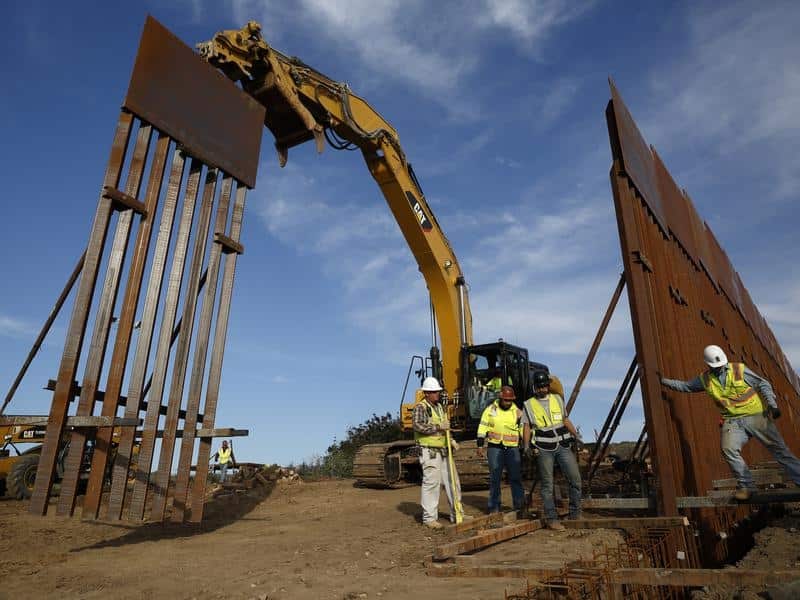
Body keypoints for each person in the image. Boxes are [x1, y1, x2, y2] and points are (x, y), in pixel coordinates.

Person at [660, 344, 800, 500]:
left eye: (721, 364)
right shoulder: (705, 380)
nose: (720, 367)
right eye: (716, 366)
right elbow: (686, 386)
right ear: (708, 364)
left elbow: (762, 383)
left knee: (780, 451)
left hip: (756, 416)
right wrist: (663, 381)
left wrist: (772, 405)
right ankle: (747, 486)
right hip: (733, 421)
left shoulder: (738, 369)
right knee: (728, 449)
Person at [522, 370, 582, 530]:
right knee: (547, 485)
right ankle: (551, 518)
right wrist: (526, 445)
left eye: (544, 386)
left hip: (563, 445)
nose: (542, 390)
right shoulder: (528, 404)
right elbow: (526, 426)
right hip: (544, 448)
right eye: (539, 387)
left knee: (575, 480)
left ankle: (575, 514)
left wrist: (576, 435)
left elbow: (565, 419)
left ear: (548, 386)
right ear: (535, 387)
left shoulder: (557, 399)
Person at [412, 376, 467, 529]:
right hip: (429, 451)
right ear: (427, 393)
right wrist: (438, 427)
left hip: (443, 449)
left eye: (438, 391)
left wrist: (451, 440)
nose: (438, 394)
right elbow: (418, 426)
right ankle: (429, 518)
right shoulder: (421, 407)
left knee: (453, 482)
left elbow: (445, 429)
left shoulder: (439, 407)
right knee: (432, 484)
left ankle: (457, 513)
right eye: (435, 392)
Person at [476, 385, 525, 515]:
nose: (508, 402)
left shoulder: (518, 412)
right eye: (506, 400)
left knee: (515, 477)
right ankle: (494, 507)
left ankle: (519, 506)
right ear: (501, 398)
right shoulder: (490, 410)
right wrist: (480, 444)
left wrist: (528, 444)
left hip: (512, 448)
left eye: (510, 400)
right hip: (494, 447)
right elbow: (482, 427)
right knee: (495, 478)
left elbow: (523, 430)